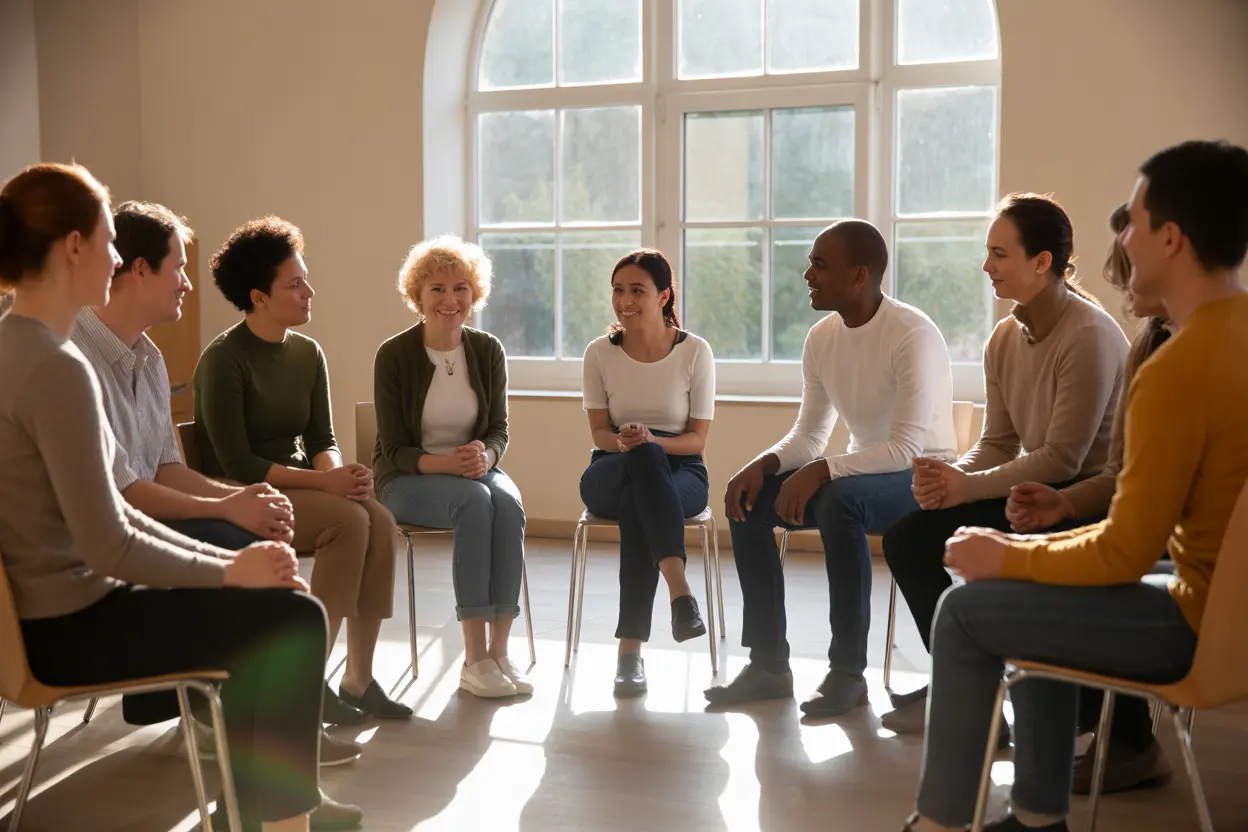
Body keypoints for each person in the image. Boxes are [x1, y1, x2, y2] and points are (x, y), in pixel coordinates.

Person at [0, 162, 361, 832]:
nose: (113, 258)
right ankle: (274, 821)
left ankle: (252, 811)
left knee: (270, 605)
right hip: (68, 630)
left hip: (54, 616)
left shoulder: (21, 347)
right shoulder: (56, 368)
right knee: (291, 619)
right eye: (108, 240)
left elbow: (121, 508)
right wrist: (228, 569)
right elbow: (110, 539)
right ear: (73, 247)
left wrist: (235, 569)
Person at [900, 139, 1248, 832]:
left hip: (1198, 625)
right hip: (1229, 616)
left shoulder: (1178, 368)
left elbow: (1124, 551)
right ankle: (1036, 816)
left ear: (1172, 240)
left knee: (966, 612)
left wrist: (1003, 556)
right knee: (1032, 588)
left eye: (1135, 222)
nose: (1123, 236)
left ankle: (938, 824)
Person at [71, 201, 362, 767]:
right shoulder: (75, 356)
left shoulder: (148, 358)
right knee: (254, 556)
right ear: (137, 271)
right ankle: (264, 738)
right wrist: (232, 509)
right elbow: (123, 490)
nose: (187, 282)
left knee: (263, 541)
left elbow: (164, 467)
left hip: (140, 514)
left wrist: (235, 498)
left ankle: (261, 727)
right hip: (104, 538)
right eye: (177, 266)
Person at [880, 193, 1129, 734]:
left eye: (999, 254)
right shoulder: (1004, 336)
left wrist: (965, 489)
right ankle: (969, 684)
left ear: (1042, 262)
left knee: (984, 548)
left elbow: (1064, 460)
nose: (986, 266)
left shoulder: (1088, 334)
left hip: (1081, 503)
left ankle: (996, 695)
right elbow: (998, 440)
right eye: (987, 253)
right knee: (909, 538)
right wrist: (953, 478)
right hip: (1030, 493)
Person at [706, 220, 957, 716]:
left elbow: (908, 447)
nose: (807, 274)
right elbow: (810, 435)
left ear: (859, 275)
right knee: (747, 500)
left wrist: (823, 471)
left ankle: (847, 673)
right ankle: (769, 665)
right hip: (862, 470)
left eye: (820, 264)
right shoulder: (822, 337)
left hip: (923, 474)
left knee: (842, 501)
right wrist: (765, 464)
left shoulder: (912, 334)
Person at [194, 216, 410, 725]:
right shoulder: (223, 361)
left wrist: (343, 475)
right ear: (259, 297)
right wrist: (325, 484)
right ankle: (305, 681)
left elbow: (321, 440)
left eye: (305, 278)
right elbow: (236, 463)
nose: (309, 291)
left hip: (296, 484)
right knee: (349, 521)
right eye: (295, 284)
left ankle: (357, 680)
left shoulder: (308, 353)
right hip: (241, 492)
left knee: (375, 517)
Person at [1006, 204, 1173, 795]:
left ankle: (1117, 744)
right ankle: (1049, 762)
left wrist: (1066, 521)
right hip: (1133, 528)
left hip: (1176, 564)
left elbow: (1096, 476)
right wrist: (1067, 506)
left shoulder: (1156, 350)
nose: (1121, 288)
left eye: (1127, 267)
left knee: (993, 600)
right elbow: (1118, 473)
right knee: (1020, 557)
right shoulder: (1149, 343)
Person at [373, 236, 529, 699]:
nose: (450, 300)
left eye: (461, 288)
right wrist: (444, 463)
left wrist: (488, 455)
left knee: (509, 503)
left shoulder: (487, 350)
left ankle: (500, 652)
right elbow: (394, 447)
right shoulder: (394, 355)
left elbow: (499, 428)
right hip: (408, 478)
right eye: (437, 289)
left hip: (473, 470)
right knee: (478, 503)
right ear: (418, 296)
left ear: (474, 294)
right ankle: (474, 658)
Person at [579, 248, 715, 697]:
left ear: (663, 296)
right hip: (611, 467)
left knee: (644, 489)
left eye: (637, 290)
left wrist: (653, 443)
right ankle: (681, 593)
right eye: (618, 290)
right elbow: (599, 432)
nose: (625, 300)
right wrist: (625, 442)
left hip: (682, 471)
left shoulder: (695, 351)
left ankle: (628, 654)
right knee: (640, 466)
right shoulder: (599, 354)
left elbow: (697, 439)